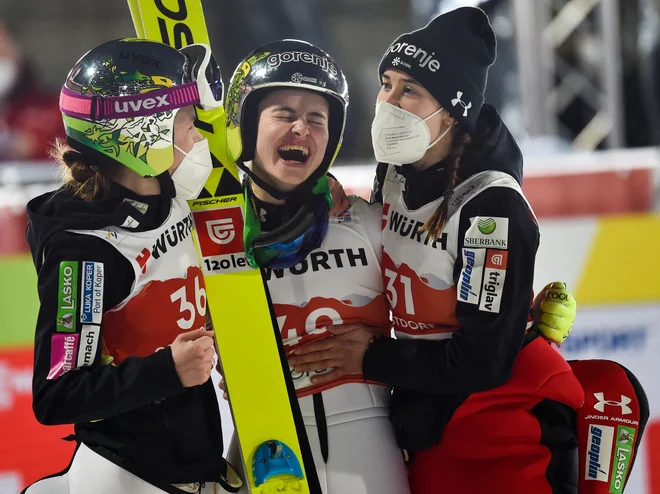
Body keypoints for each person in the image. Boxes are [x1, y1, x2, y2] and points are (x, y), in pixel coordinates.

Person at [288, 8, 586, 493]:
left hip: (501, 427)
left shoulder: (492, 207)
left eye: (411, 90)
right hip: (433, 415)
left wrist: (373, 359)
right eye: (387, 83)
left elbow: (484, 361)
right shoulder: (397, 170)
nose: (389, 101)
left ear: (451, 109)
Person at [22, 38, 241, 494]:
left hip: (196, 458)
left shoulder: (172, 189)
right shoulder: (85, 251)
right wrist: (168, 370)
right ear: (139, 134)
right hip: (127, 474)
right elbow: (58, 394)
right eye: (184, 123)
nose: (198, 136)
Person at [220, 38, 411, 494]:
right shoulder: (208, 238)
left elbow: (448, 314)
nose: (301, 129)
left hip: (372, 447)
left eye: (316, 119)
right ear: (245, 126)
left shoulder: (369, 222)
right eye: (284, 114)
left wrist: (524, 315)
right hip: (263, 448)